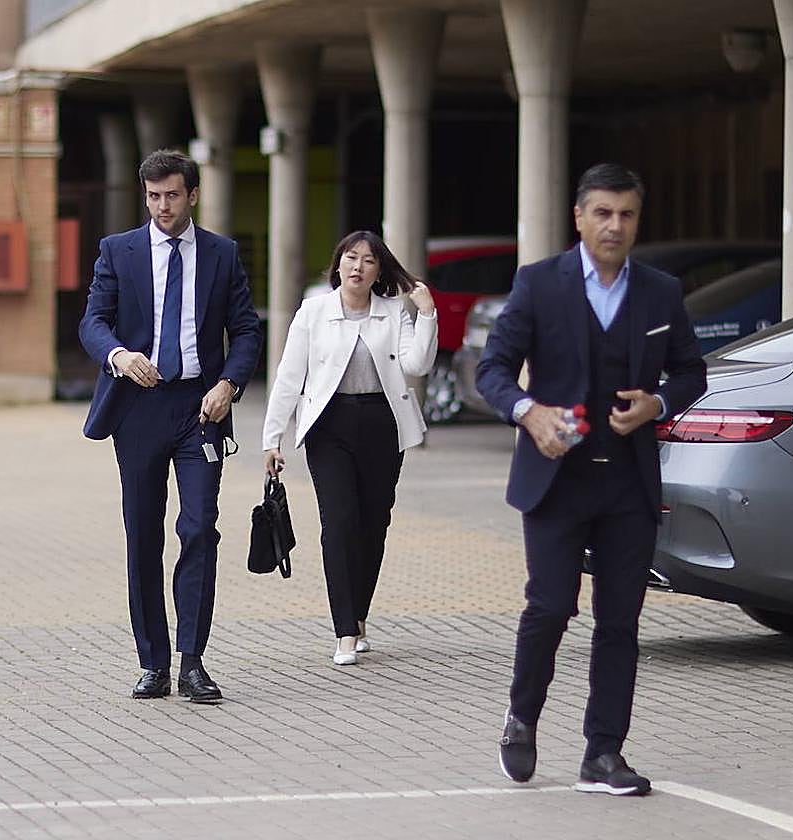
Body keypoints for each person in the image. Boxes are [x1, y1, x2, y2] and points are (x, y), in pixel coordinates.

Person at [476, 163, 706, 795]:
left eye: (626, 214)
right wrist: (529, 413)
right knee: (551, 606)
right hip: (557, 480)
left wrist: (658, 404)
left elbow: (692, 371)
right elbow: (493, 369)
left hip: (629, 484)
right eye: (602, 212)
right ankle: (521, 717)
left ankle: (603, 753)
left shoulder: (660, 291)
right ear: (579, 217)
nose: (614, 225)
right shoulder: (538, 283)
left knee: (620, 622)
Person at [79, 149, 262, 703]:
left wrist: (229, 384)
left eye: (172, 196)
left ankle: (192, 661)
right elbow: (93, 321)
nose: (162, 206)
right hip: (138, 407)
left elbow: (246, 331)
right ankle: (153, 663)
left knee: (200, 527)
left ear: (193, 195)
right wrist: (118, 355)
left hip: (200, 409)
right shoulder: (119, 251)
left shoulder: (222, 254)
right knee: (143, 534)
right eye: (153, 196)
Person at [262, 231, 437, 665]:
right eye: (351, 258)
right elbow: (288, 377)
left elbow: (417, 364)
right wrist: (272, 439)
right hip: (329, 426)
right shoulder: (314, 311)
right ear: (338, 263)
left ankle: (359, 618)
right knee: (338, 523)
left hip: (382, 425)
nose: (358, 267)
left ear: (379, 271)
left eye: (369, 260)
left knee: (373, 524)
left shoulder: (393, 311)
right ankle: (344, 631)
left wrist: (427, 314)